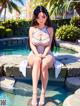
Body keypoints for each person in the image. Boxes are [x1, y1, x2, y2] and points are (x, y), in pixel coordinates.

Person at [27, 5, 55, 106]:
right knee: (38, 60)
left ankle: (43, 94)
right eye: (38, 17)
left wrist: (43, 54)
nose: (41, 19)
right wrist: (37, 54)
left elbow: (49, 44)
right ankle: (34, 94)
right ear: (35, 17)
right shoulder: (32, 29)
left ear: (47, 16)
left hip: (47, 53)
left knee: (43, 64)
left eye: (43, 16)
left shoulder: (50, 29)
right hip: (34, 53)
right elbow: (31, 44)